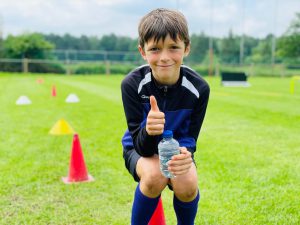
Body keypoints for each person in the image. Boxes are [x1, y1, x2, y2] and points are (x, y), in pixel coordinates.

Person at [121, 8, 210, 225]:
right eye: (155, 49)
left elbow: (190, 138)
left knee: (188, 183)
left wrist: (185, 153)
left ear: (186, 48)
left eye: (173, 48)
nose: (164, 57)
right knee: (154, 175)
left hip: (176, 149)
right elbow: (140, 146)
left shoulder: (199, 89)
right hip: (139, 146)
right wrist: (150, 130)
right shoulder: (132, 85)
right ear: (142, 51)